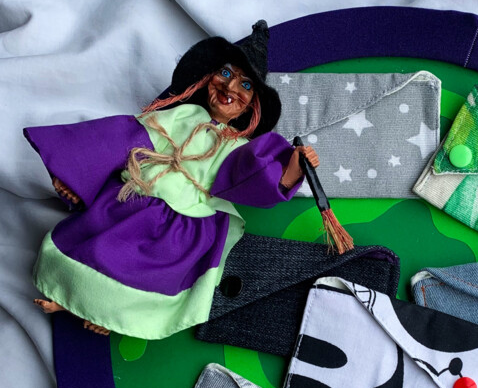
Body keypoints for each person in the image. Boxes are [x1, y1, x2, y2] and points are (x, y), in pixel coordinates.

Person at [26, 21, 318, 338]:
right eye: (226, 73)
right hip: (138, 200)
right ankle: (71, 299)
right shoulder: (182, 116)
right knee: (99, 248)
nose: (230, 87)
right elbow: (126, 137)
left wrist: (291, 171)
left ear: (253, 104)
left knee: (150, 275)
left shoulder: (236, 148)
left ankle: (110, 317)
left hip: (182, 225)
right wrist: (75, 173)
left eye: (245, 85)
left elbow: (253, 177)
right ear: (208, 77)